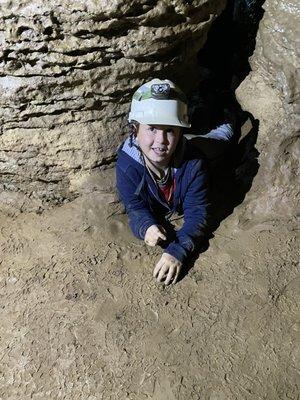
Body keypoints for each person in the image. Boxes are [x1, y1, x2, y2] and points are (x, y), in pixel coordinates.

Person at [116, 78, 233, 285]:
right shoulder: (127, 164)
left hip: (203, 150)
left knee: (224, 138)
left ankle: (228, 111)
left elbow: (198, 213)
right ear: (135, 130)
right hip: (187, 147)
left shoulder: (194, 164)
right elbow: (134, 205)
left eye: (170, 130)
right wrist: (146, 225)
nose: (160, 140)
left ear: (180, 132)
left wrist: (177, 251)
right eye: (151, 128)